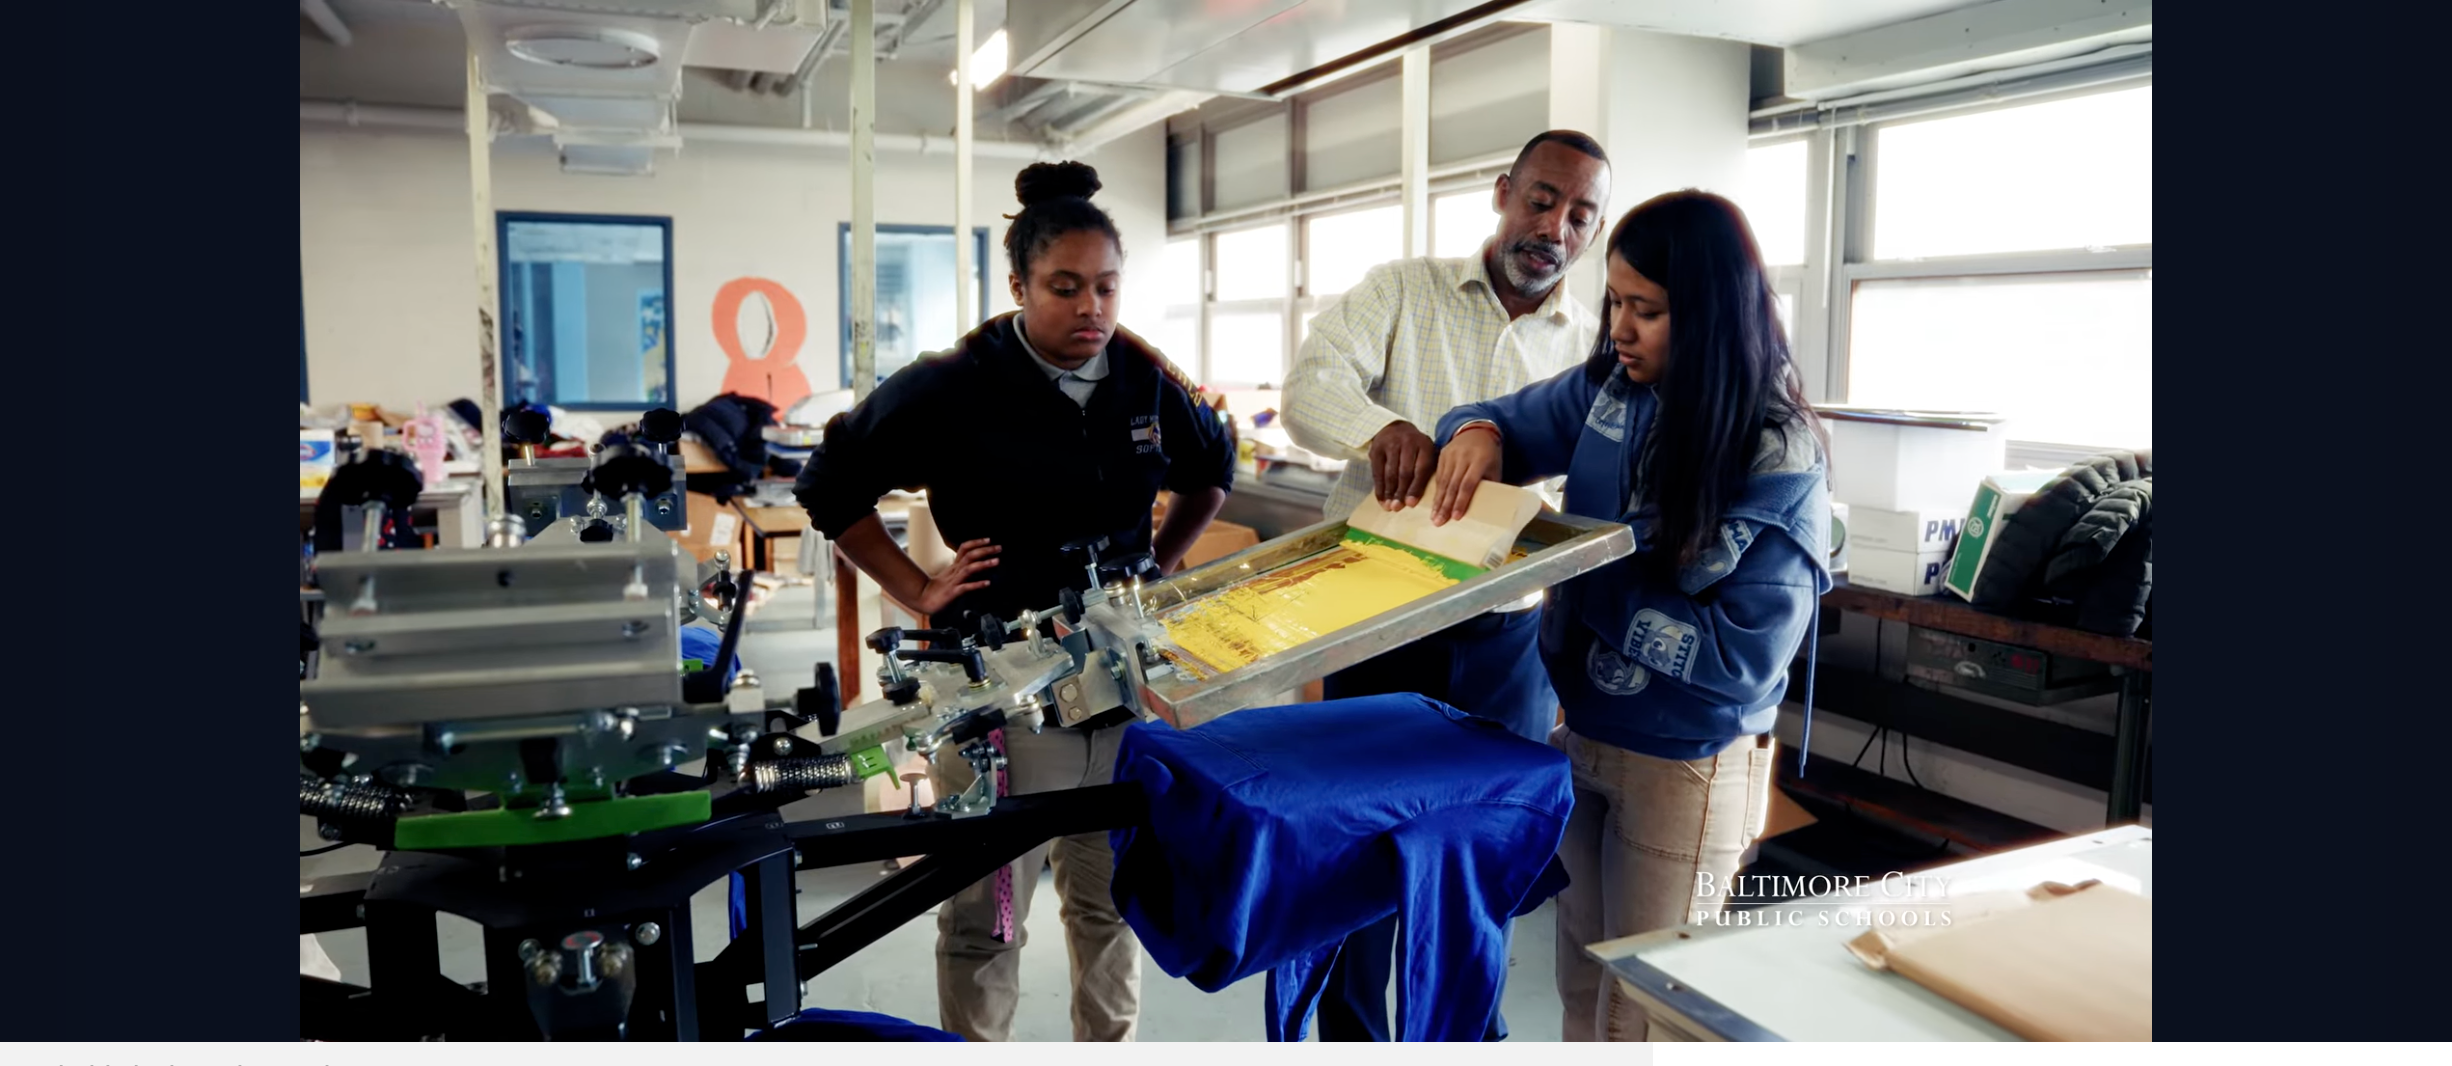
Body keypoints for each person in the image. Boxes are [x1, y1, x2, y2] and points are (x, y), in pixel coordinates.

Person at [794, 161, 1236, 1042]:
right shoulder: (951, 383)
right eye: (1065, 288)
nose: (1091, 310)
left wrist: (1161, 563)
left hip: (1118, 688)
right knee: (986, 919)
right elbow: (828, 483)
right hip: (995, 695)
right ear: (1019, 286)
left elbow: (1211, 468)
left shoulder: (1144, 375)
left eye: (1106, 287)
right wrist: (918, 588)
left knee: (1111, 903)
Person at [1426, 190, 1831, 1042]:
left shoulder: (1771, 450)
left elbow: (1743, 661)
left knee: (1645, 1020)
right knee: (1583, 988)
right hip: (1589, 738)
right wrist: (1476, 435)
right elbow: (1503, 416)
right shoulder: (1613, 390)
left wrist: (1567, 565)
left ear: (1714, 315)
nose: (1620, 326)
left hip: (1686, 765)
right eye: (1614, 300)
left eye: (1646, 309)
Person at [1278, 129, 1613, 1042]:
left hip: (1507, 644)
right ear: (1503, 193)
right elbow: (1307, 388)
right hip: (1378, 622)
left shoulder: (1592, 348)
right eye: (1542, 199)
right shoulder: (1402, 289)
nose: (1555, 226)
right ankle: (1354, 1040)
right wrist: (1377, 427)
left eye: (1581, 214)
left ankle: (1464, 1039)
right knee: (1365, 855)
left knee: (1477, 863)